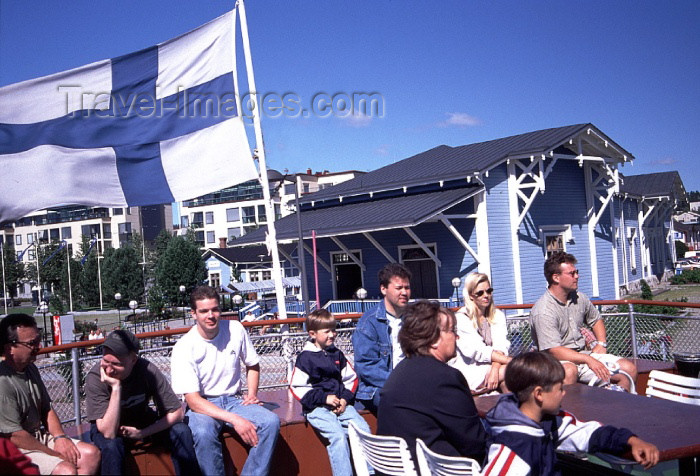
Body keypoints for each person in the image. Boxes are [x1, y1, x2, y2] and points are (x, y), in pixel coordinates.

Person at [482, 352, 659, 475]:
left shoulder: (547, 423)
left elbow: (587, 433)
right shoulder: (514, 450)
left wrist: (630, 440)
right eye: (560, 388)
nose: (564, 393)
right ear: (539, 394)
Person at [171, 285, 280, 476]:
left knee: (271, 422)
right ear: (193, 314)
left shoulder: (235, 329)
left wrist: (252, 394)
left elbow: (252, 364)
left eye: (215, 309)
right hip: (204, 404)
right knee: (203, 434)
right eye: (204, 311)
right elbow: (193, 401)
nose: (210, 315)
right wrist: (236, 420)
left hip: (234, 399)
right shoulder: (184, 347)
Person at [377, 300, 487, 465]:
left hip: (399, 467)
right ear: (434, 339)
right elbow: (475, 443)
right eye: (452, 331)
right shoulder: (446, 378)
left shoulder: (399, 372)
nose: (457, 336)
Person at [85, 329, 199, 475]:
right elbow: (108, 432)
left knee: (181, 431)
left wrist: (142, 433)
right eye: (105, 361)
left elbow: (177, 413)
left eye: (116, 364)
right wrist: (116, 387)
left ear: (133, 359)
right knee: (111, 446)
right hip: (107, 425)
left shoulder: (147, 370)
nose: (108, 370)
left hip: (141, 421)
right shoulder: (95, 377)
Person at [0, 314, 100, 475]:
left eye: (38, 341)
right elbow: (15, 436)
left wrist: (60, 438)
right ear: (9, 348)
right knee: (65, 469)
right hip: (15, 447)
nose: (38, 347)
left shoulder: (30, 368)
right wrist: (55, 454)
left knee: (91, 454)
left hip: (37, 437)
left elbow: (47, 408)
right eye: (31, 343)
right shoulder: (3, 381)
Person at [529, 252, 638, 391]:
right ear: (556, 278)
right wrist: (588, 360)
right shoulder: (543, 310)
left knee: (629, 369)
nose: (577, 276)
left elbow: (596, 319)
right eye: (572, 273)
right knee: (569, 371)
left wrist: (601, 343)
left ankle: (621, 410)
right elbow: (554, 350)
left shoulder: (580, 298)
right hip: (555, 362)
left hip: (584, 356)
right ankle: (568, 412)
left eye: (576, 272)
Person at [290, 310, 371, 476]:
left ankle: (368, 472)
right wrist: (324, 398)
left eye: (333, 330)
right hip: (317, 408)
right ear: (312, 334)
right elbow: (297, 387)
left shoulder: (337, 354)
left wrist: (345, 400)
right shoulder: (305, 358)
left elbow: (351, 378)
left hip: (340, 405)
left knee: (363, 430)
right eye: (326, 331)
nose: (332, 334)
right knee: (338, 437)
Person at [352, 263, 412, 413]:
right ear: (383, 289)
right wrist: (400, 383)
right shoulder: (369, 323)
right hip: (378, 388)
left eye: (407, 287)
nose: (404, 292)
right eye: (399, 288)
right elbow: (366, 366)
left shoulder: (414, 319)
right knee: (402, 404)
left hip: (410, 383)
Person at [450, 273, 511, 394]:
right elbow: (478, 351)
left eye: (489, 291)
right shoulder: (461, 318)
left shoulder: (497, 315)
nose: (486, 295)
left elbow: (501, 345)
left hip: (494, 369)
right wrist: (509, 361)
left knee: (508, 380)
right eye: (480, 293)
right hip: (471, 371)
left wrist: (495, 368)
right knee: (516, 369)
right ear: (471, 296)